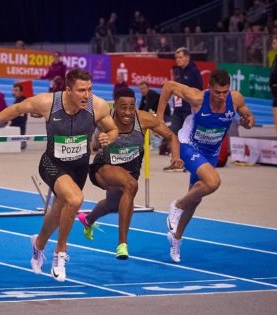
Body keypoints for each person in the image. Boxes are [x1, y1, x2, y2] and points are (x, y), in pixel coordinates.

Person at [0, 68, 118, 282]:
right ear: (68, 90)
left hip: (78, 167)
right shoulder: (47, 103)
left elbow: (112, 129)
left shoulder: (97, 106)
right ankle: (60, 252)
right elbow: (15, 109)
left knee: (61, 209)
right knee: (76, 199)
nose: (87, 95)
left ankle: (38, 244)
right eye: (81, 91)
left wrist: (109, 138)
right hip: (52, 163)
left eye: (89, 89)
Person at [156, 69, 255, 263]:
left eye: (224, 92)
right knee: (213, 182)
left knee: (195, 199)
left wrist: (248, 121)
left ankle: (175, 238)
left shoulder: (235, 99)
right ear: (210, 88)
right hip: (189, 146)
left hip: (211, 153)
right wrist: (159, 117)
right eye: (217, 92)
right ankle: (177, 205)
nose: (221, 96)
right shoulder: (197, 97)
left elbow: (249, 117)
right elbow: (168, 86)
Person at [77, 88, 183, 259]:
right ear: (115, 105)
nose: (127, 112)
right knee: (130, 186)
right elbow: (85, 137)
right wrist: (94, 143)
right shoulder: (104, 119)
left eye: (131, 107)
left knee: (112, 204)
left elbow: (171, 136)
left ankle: (88, 220)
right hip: (104, 167)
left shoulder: (145, 119)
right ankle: (122, 244)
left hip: (131, 169)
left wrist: (175, 156)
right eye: (123, 107)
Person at [161, 47, 202, 172]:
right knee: (173, 134)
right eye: (176, 58)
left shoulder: (194, 71)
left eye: (180, 57)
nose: (177, 60)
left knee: (189, 137)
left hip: (189, 110)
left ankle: (190, 163)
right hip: (178, 109)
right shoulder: (178, 72)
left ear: (187, 57)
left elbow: (198, 91)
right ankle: (175, 161)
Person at [139, 81, 172, 155]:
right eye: (140, 89)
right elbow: (141, 109)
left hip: (164, 115)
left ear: (148, 88)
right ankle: (148, 142)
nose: (142, 90)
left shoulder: (152, 94)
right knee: (142, 121)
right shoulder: (144, 96)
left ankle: (152, 138)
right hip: (156, 114)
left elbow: (147, 108)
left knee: (144, 122)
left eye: (144, 88)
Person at [9, 83, 28, 150]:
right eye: (13, 90)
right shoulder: (17, 100)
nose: (14, 92)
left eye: (16, 90)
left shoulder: (22, 100)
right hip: (15, 123)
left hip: (19, 124)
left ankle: (22, 142)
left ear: (21, 92)